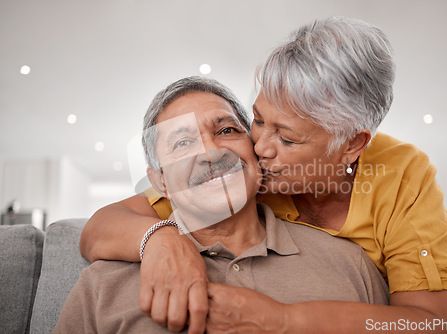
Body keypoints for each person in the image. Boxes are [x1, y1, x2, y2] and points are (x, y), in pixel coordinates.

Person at [80, 16, 447, 333]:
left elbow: (434, 324)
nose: (259, 146)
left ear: (351, 145)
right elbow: (105, 224)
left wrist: (282, 319)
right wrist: (160, 240)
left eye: (287, 137)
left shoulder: (400, 178)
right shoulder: (241, 175)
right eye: (257, 121)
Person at [54, 77, 389, 334]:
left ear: (256, 152)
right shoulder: (103, 284)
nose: (210, 152)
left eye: (227, 130)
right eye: (183, 142)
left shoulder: (350, 265)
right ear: (161, 182)